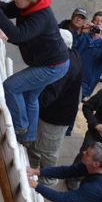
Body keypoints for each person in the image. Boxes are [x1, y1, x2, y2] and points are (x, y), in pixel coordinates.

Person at [0, 0, 68, 145]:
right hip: (51, 62)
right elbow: (10, 9)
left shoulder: (40, 16)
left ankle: (20, 127)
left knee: (10, 87)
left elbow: (18, 34)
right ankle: (28, 137)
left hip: (52, 66)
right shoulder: (29, 5)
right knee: (30, 98)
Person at [27, 29, 82, 183]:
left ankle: (47, 180)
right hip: (55, 114)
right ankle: (33, 168)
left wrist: (27, 100)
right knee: (37, 146)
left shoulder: (65, 68)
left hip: (54, 118)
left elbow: (47, 97)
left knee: (48, 151)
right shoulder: (72, 54)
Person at [76, 12, 102, 99]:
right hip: (69, 75)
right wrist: (81, 31)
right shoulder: (83, 34)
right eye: (96, 20)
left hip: (84, 83)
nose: (98, 23)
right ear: (92, 22)